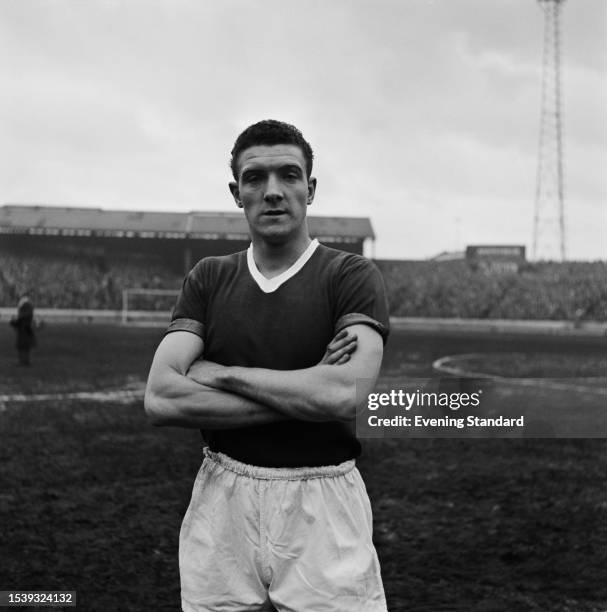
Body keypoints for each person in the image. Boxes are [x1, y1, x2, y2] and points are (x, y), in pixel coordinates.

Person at [144, 119, 390, 611]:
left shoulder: (350, 276)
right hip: (222, 497)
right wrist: (307, 392)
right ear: (237, 192)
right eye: (255, 178)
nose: (272, 191)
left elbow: (345, 395)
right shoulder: (209, 278)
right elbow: (161, 396)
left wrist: (220, 373)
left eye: (289, 175)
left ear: (310, 188)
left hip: (324, 499)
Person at [10, 295, 36, 366]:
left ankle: (24, 361)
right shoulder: (27, 305)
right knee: (23, 347)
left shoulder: (26, 305)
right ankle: (24, 361)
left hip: (25, 329)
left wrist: (16, 321)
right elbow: (23, 317)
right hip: (24, 329)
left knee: (24, 347)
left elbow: (24, 317)